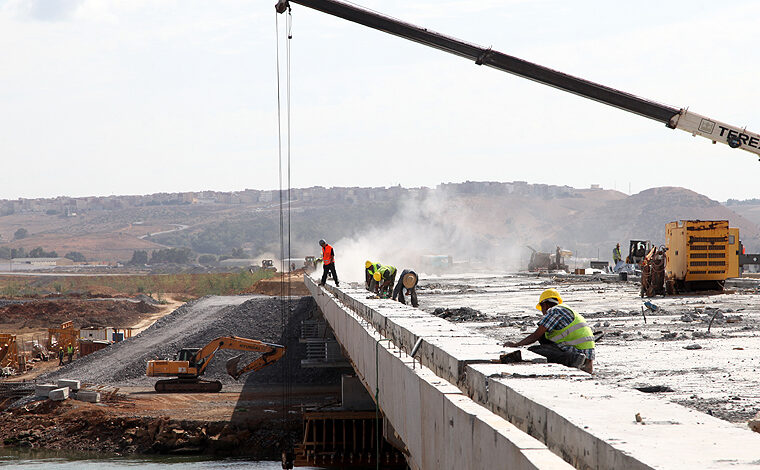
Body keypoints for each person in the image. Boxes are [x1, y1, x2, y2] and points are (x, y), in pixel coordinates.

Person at [503, 288, 595, 374]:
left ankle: (573, 359)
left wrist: (516, 344)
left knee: (534, 350)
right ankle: (586, 364)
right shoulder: (567, 309)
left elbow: (536, 336)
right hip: (587, 355)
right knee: (545, 337)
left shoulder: (555, 311)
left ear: (545, 305)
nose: (543, 312)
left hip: (576, 351)